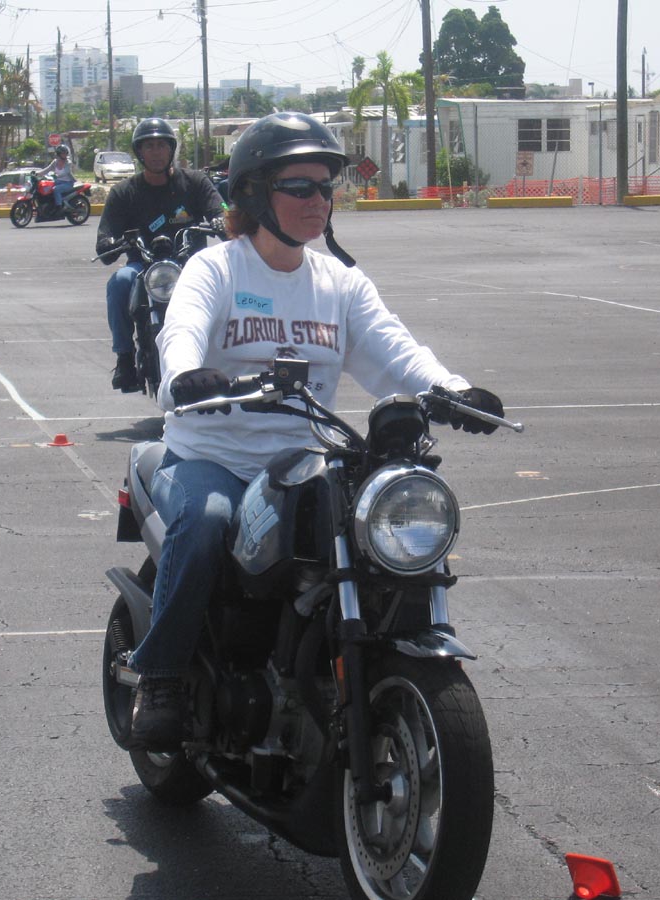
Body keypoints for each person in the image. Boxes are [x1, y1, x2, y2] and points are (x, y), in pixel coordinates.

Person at [126, 111, 507, 749]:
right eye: (299, 187)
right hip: (209, 459)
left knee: (367, 527)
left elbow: (394, 350)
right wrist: (188, 375)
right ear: (254, 194)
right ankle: (161, 677)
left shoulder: (340, 283)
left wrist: (452, 390)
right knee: (208, 522)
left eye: (326, 187)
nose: (318, 200)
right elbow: (182, 328)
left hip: (299, 463)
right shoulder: (217, 269)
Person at [95, 117, 226, 392]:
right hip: (143, 268)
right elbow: (104, 240)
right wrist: (110, 241)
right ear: (139, 152)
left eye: (161, 145)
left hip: (192, 266)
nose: (156, 152)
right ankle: (124, 358)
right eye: (149, 146)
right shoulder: (123, 192)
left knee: (227, 283)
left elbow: (221, 210)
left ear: (171, 149)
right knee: (119, 282)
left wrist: (221, 220)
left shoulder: (195, 182)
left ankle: (231, 350)